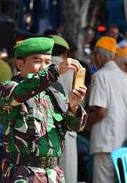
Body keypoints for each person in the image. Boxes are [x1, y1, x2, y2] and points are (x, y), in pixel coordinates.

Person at [0, 37, 87, 182]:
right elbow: (20, 93)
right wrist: (55, 71)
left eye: (48, 62)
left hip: (52, 173)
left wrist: (73, 107)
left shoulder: (55, 92)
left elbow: (74, 126)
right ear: (20, 63)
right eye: (37, 61)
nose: (44, 67)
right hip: (24, 173)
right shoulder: (8, 88)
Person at [87, 36, 127, 183]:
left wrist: (83, 123)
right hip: (122, 141)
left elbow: (101, 112)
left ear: (98, 56)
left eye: (94, 55)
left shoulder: (99, 76)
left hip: (105, 143)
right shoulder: (125, 77)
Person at [50, 34, 78, 183]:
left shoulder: (40, 69)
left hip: (46, 132)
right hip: (67, 130)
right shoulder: (73, 69)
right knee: (68, 176)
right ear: (65, 53)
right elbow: (79, 104)